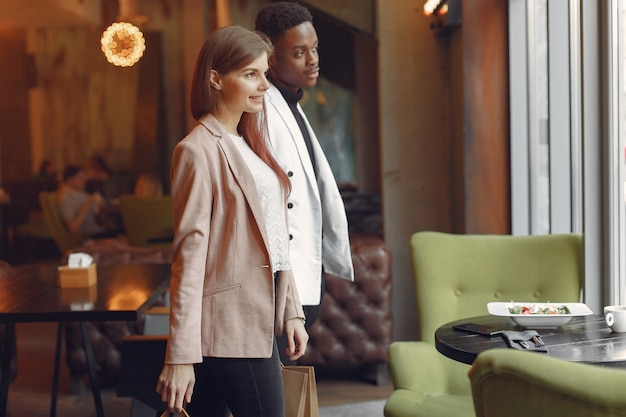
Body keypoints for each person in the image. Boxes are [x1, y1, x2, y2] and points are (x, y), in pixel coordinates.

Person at [155, 26, 308, 417]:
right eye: (250, 75)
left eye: (264, 74)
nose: (263, 86)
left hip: (258, 320)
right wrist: (181, 355)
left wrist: (291, 310)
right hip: (228, 329)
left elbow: (275, 236)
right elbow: (189, 260)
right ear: (215, 79)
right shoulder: (196, 151)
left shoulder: (250, 141)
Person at [255, 1, 354, 362]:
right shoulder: (260, 109)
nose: (312, 59)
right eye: (298, 52)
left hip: (304, 273)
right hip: (283, 280)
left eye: (314, 49)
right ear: (269, 57)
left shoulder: (291, 104)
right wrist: (288, 283)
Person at [57, 165, 119, 238]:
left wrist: (99, 206)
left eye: (84, 177)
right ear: (70, 180)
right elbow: (73, 228)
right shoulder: (67, 200)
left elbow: (96, 218)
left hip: (98, 231)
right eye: (80, 177)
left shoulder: (82, 193)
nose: (84, 180)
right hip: (88, 236)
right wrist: (87, 204)